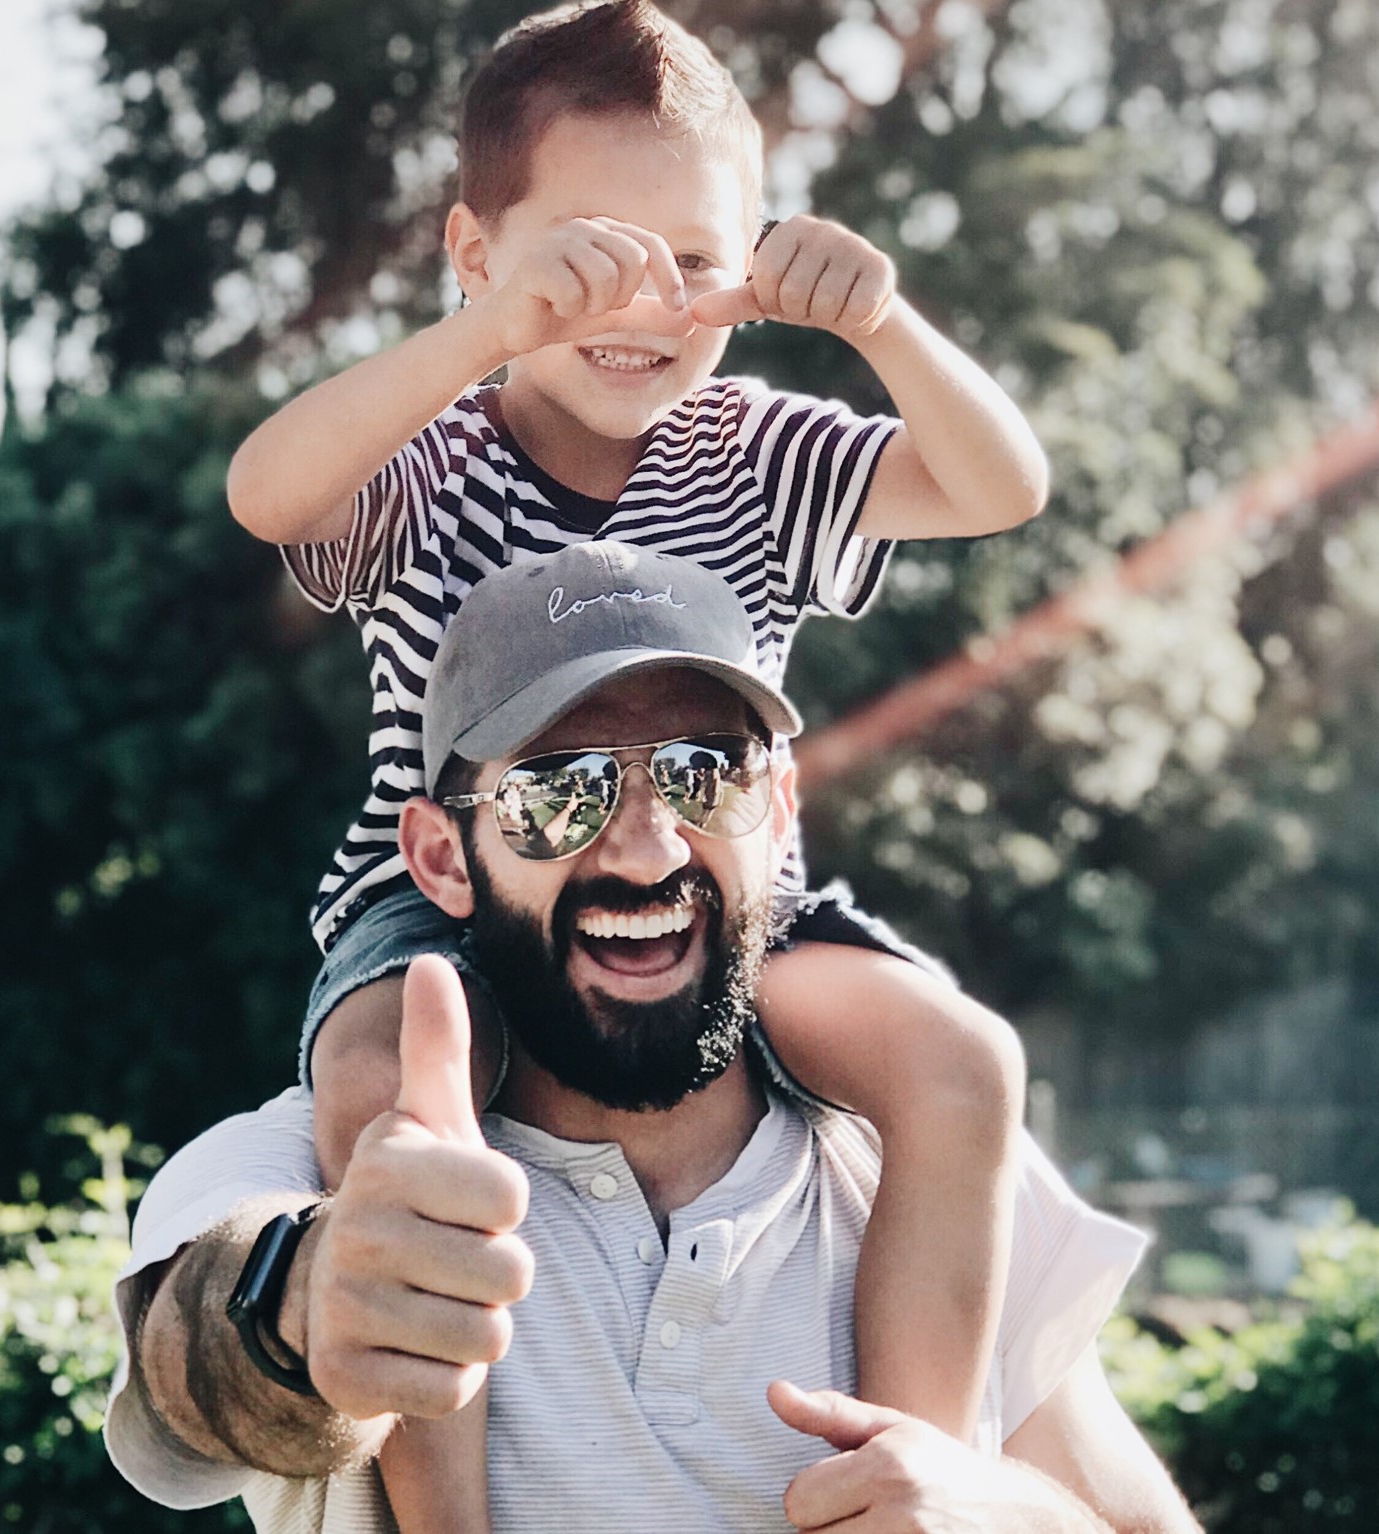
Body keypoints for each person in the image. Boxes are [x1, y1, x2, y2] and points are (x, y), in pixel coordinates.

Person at [227, 3, 1053, 1526]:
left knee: (961, 1060)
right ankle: (444, 1514)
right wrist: (489, 334)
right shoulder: (433, 451)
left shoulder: (759, 446)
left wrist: (883, 323)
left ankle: (903, 1469)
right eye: (588, 252)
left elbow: (1004, 487)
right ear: (478, 251)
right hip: (455, 899)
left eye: (693, 258)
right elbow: (267, 492)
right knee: (381, 1090)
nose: (645, 299)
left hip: (730, 897)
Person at [105, 543, 1202, 1533]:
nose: (643, 849)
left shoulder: (924, 1174)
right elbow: (185, 1373)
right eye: (556, 792)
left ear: (775, 812)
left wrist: (1007, 1514)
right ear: (442, 857)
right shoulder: (332, 1166)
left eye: (702, 774)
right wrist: (296, 1306)